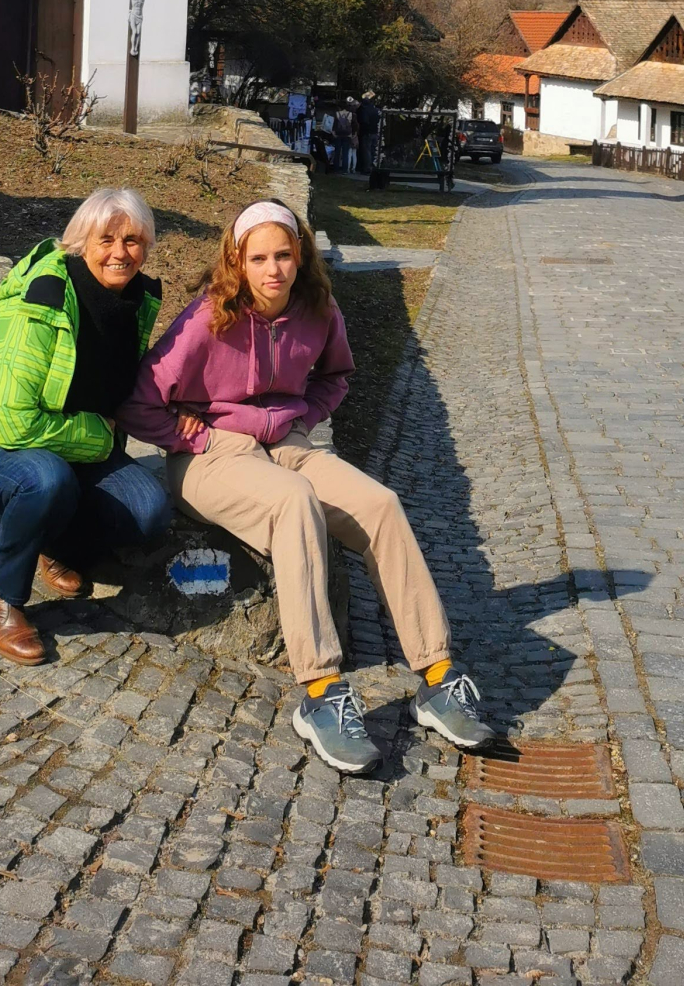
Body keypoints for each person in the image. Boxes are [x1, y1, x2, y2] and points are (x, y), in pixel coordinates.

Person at [123, 199, 493, 774]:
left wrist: (306, 413)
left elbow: (337, 374)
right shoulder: (207, 316)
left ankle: (437, 677)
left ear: (301, 258)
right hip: (212, 454)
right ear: (237, 262)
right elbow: (137, 399)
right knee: (293, 502)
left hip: (290, 443)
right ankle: (321, 692)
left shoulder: (319, 310)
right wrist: (181, 434)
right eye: (259, 258)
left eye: (284, 256)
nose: (273, 270)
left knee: (380, 504)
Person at [0, 187, 174, 663]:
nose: (119, 253)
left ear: (147, 246)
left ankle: (51, 539)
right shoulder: (42, 298)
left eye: (132, 240)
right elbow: (11, 420)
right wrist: (98, 434)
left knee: (148, 510)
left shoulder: (137, 301)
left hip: (69, 448)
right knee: (47, 480)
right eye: (105, 239)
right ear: (80, 241)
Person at [357, 92, 381, 172]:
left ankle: (367, 168)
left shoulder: (364, 110)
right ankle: (373, 166)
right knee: (373, 150)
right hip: (375, 132)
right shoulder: (376, 110)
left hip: (367, 133)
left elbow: (363, 121)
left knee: (366, 151)